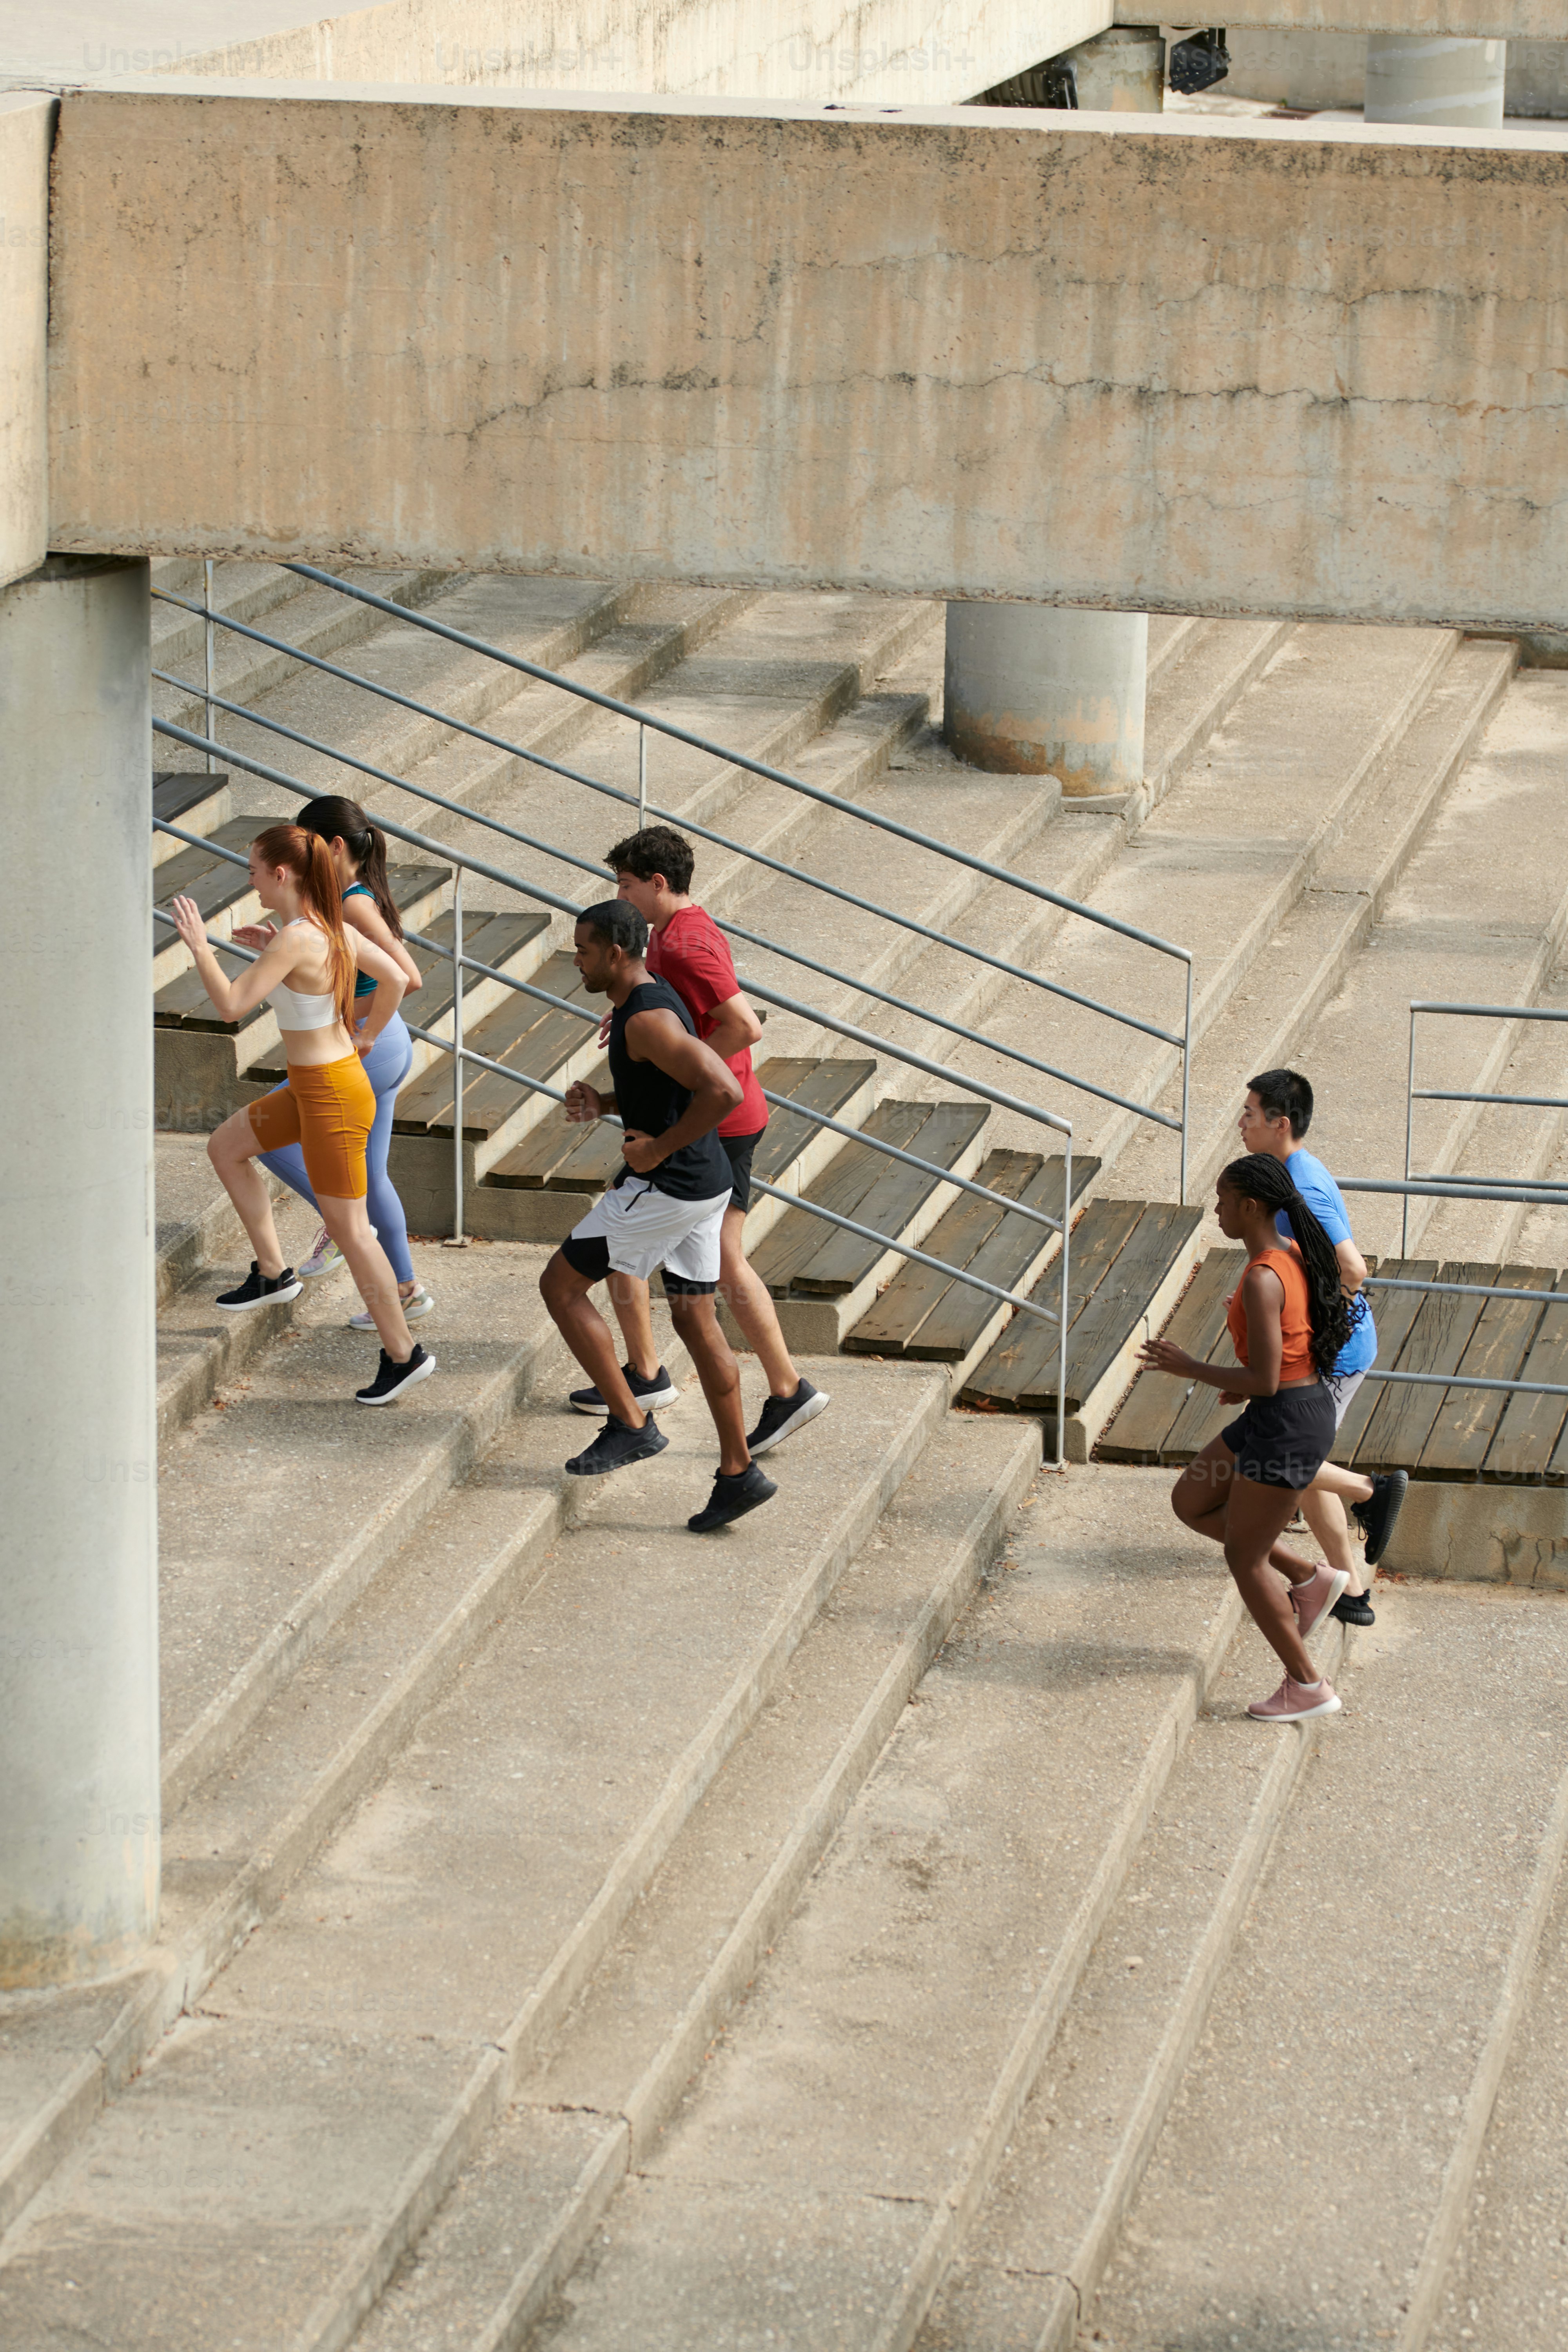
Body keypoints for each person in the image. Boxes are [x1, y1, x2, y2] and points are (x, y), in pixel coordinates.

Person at [561, 824, 828, 1458]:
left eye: (625, 884)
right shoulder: (681, 933)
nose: (620, 895)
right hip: (712, 1122)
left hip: (717, 1125)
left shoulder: (679, 948)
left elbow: (743, 1026)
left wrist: (676, 1078)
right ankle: (661, 1383)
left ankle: (774, 1387)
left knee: (712, 1270)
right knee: (691, 1287)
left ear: (657, 884)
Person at [169, 824, 436, 1406]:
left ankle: (403, 1354)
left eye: (255, 871)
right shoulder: (319, 928)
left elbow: (231, 1005)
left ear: (282, 874)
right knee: (227, 1147)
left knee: (350, 1230)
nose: (252, 879)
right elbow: (394, 976)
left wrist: (199, 948)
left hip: (333, 1096)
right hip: (315, 1086)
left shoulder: (300, 936)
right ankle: (273, 1272)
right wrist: (360, 1031)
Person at [541, 900, 778, 1532]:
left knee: (560, 1286)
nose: (577, 960)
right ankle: (738, 1473)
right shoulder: (650, 996)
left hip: (669, 1185)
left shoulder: (644, 1019)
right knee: (697, 1319)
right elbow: (672, 1086)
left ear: (615, 954)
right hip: (705, 1185)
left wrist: (655, 1149)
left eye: (584, 951)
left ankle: (630, 1422)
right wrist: (608, 1102)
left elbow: (722, 1090)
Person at [1140, 1153, 1356, 1724]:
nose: (1217, 1208)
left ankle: (1308, 1684)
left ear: (1252, 1206)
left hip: (1286, 1424)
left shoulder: (1265, 1276)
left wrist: (1191, 1368)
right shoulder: (1286, 1256)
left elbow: (1264, 1375)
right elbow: (1283, 1355)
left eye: (1224, 1199)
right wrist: (1248, 1389)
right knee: (1191, 1499)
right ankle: (1310, 1576)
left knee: (1244, 1554)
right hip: (1278, 1412)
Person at [234, 795, 434, 1331]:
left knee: (269, 1146)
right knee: (371, 1176)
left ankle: (347, 1230)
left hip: (372, 1047)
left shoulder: (349, 902)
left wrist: (354, 1019)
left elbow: (407, 976)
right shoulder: (342, 898)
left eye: (310, 843)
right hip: (383, 1045)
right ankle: (402, 1285)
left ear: (335, 847)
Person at [1238, 1069, 1408, 1619]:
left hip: (1334, 1352)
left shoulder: (1303, 1185)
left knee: (1289, 1457)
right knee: (1302, 1462)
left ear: (1279, 1124)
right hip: (1327, 1349)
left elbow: (1353, 1269)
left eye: (1250, 1113)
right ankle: (1352, 1593)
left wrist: (1301, 1319)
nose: (1241, 1122)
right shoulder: (1291, 1173)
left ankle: (1370, 1491)